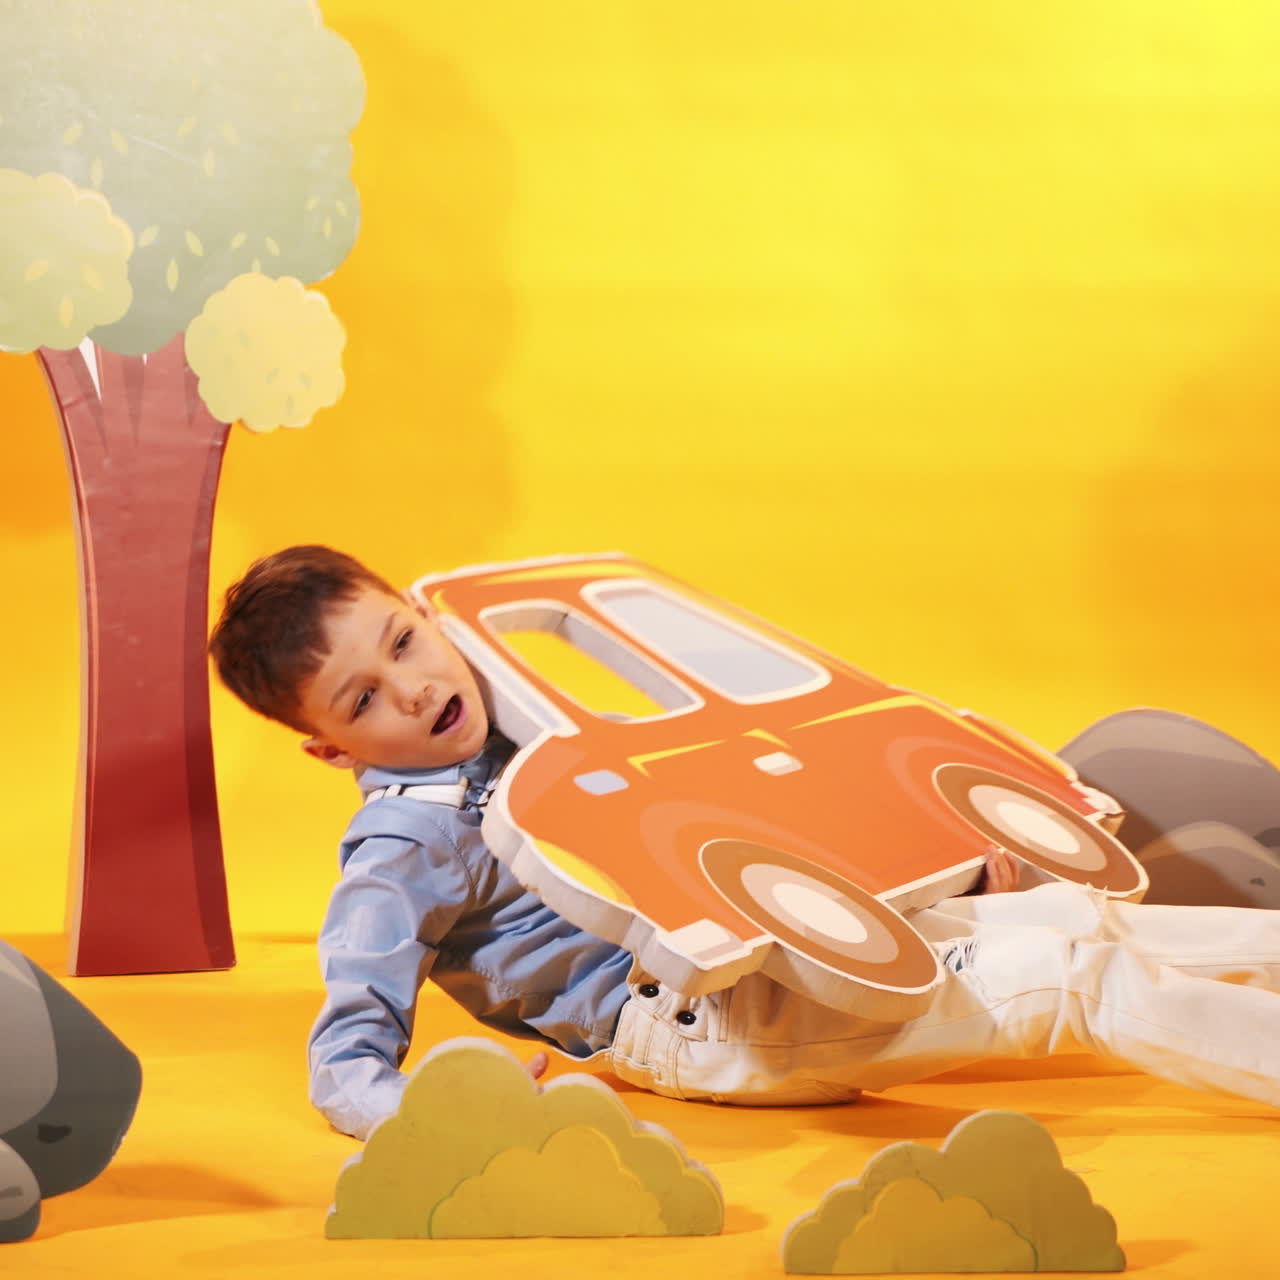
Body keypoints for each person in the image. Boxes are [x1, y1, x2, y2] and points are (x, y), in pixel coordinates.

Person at [209, 544, 1280, 1140]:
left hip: (776, 948)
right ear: (329, 750)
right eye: (365, 698)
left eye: (404, 640)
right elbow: (343, 1064)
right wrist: (465, 1110)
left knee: (1071, 913)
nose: (417, 687)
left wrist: (922, 881)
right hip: (693, 1017)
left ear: (423, 607)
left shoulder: (526, 705)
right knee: (1071, 977)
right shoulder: (400, 846)